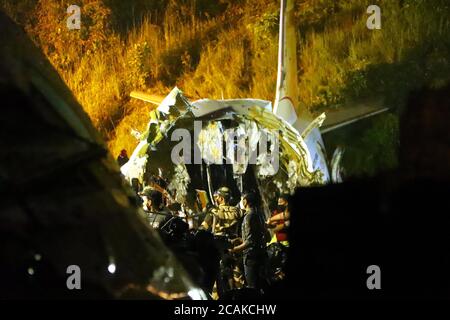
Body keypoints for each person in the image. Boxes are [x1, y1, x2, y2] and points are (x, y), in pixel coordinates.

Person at [230, 192, 268, 292]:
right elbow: (255, 237)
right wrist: (239, 240)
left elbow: (250, 241)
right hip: (261, 254)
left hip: (251, 257)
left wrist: (233, 250)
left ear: (246, 201)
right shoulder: (259, 214)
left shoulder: (249, 217)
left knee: (253, 288)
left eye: (242, 199)